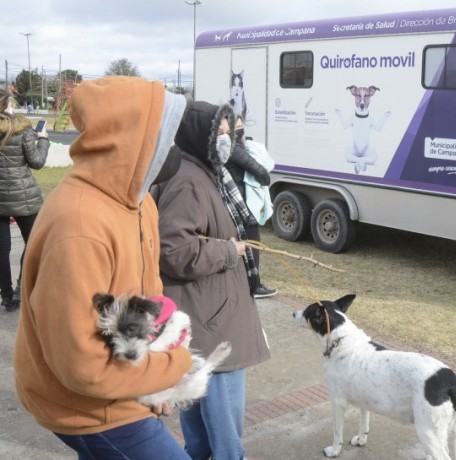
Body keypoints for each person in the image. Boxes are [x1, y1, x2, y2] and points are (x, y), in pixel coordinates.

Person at [13, 76, 193, 458]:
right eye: (166, 137)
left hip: (120, 386)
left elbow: (149, 299)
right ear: (133, 140)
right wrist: (174, 366)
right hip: (86, 407)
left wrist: (152, 385)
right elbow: (82, 367)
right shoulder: (78, 225)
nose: (173, 149)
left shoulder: (139, 201)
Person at [152, 101, 271, 460]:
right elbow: (172, 250)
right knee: (224, 440)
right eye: (218, 133)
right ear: (195, 135)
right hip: (213, 326)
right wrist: (228, 252)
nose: (227, 140)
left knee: (202, 439)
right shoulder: (189, 180)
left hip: (207, 317)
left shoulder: (206, 172)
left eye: (229, 132)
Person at [0, 89, 49, 312]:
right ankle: (21, 288)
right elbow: (37, 162)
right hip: (24, 196)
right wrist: (43, 140)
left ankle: (7, 297)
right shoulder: (21, 127)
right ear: (7, 103)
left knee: (1, 250)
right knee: (33, 244)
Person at [225, 116, 278, 299]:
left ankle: (246, 282)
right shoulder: (234, 148)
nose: (241, 131)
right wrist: (266, 179)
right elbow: (257, 169)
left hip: (235, 201)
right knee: (252, 242)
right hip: (243, 203)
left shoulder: (230, 146)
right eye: (237, 128)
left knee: (243, 242)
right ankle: (255, 285)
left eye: (242, 127)